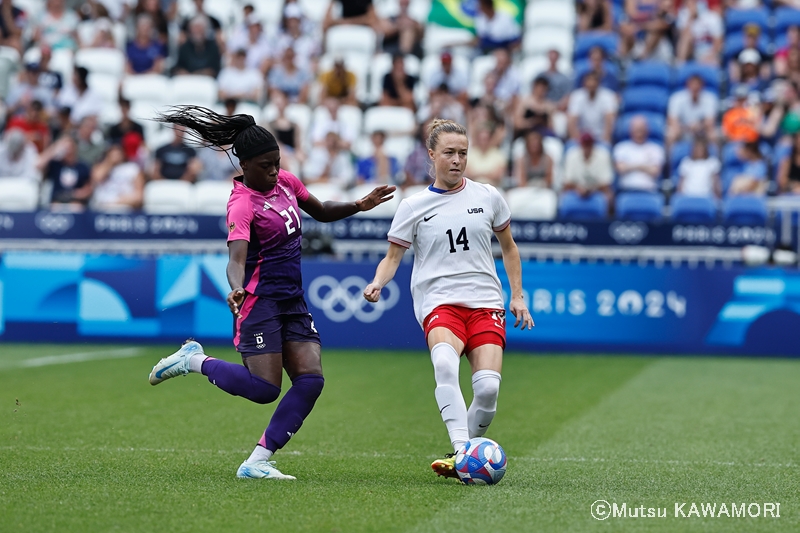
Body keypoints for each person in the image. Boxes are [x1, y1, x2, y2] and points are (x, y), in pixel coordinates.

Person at [148, 105, 395, 480]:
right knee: (264, 389)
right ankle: (194, 360)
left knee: (311, 380)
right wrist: (235, 289)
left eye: (277, 162)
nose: (274, 171)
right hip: (260, 302)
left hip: (292, 299)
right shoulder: (242, 204)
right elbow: (236, 258)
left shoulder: (286, 183)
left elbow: (322, 210)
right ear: (244, 166)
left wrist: (359, 205)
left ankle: (257, 462)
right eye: (266, 165)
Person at [362, 118, 533, 480]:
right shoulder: (413, 206)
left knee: (487, 390)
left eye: (463, 154)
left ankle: (463, 454)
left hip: (486, 301)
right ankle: (462, 453)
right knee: (444, 365)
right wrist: (378, 282)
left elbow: (509, 248)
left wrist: (517, 296)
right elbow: (392, 257)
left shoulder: (488, 196)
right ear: (432, 155)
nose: (457, 160)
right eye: (450, 153)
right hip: (440, 302)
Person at [37, 135, 93, 209]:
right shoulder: (55, 164)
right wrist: (54, 149)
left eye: (69, 147)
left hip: (76, 201)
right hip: (56, 201)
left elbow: (88, 188)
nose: (66, 149)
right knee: (55, 207)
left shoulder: (83, 166)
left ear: (74, 147)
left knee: (76, 208)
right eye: (64, 147)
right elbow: (38, 165)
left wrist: (74, 194)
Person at [613, 115, 665, 192]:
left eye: (641, 130)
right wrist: (644, 166)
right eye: (636, 130)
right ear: (630, 130)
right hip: (626, 191)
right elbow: (620, 169)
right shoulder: (621, 148)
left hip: (650, 192)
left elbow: (655, 171)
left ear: (647, 130)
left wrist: (630, 166)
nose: (639, 133)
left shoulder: (656, 149)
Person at [562, 132, 614, 209]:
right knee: (562, 197)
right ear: (580, 145)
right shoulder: (571, 155)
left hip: (598, 190)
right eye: (584, 145)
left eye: (589, 145)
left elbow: (606, 184)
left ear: (593, 145)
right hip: (575, 190)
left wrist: (591, 189)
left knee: (609, 196)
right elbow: (567, 182)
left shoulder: (603, 155)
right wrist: (578, 188)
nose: (586, 148)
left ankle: (606, 220)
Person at [567, 72, 618, 144]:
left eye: (594, 81)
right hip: (581, 138)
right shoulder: (576, 96)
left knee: (605, 150)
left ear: (599, 83)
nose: (591, 84)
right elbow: (572, 121)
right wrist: (578, 139)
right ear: (584, 83)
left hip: (601, 138)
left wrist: (605, 139)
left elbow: (610, 120)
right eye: (589, 81)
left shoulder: (608, 96)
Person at [91, 143, 145, 211]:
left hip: (123, 207)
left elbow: (139, 196)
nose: (115, 156)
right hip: (101, 207)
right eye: (112, 154)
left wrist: (117, 202)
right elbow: (97, 178)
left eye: (118, 153)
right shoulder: (100, 166)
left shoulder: (132, 168)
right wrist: (110, 163)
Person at [667, 74, 718, 145]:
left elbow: (710, 122)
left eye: (697, 85)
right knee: (671, 133)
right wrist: (686, 128)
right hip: (682, 130)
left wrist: (699, 126)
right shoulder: (677, 98)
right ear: (687, 85)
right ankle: (669, 156)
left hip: (702, 131)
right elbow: (672, 120)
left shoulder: (710, 99)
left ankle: (714, 156)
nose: (695, 87)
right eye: (693, 85)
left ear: (702, 86)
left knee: (713, 134)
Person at [465, 123, 507, 188]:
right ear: (477, 139)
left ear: (490, 139)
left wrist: (477, 173)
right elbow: (467, 174)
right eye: (481, 139)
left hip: (494, 188)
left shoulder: (498, 154)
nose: (483, 142)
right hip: (473, 188)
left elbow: (497, 175)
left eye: (485, 139)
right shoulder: (470, 153)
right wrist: (488, 174)